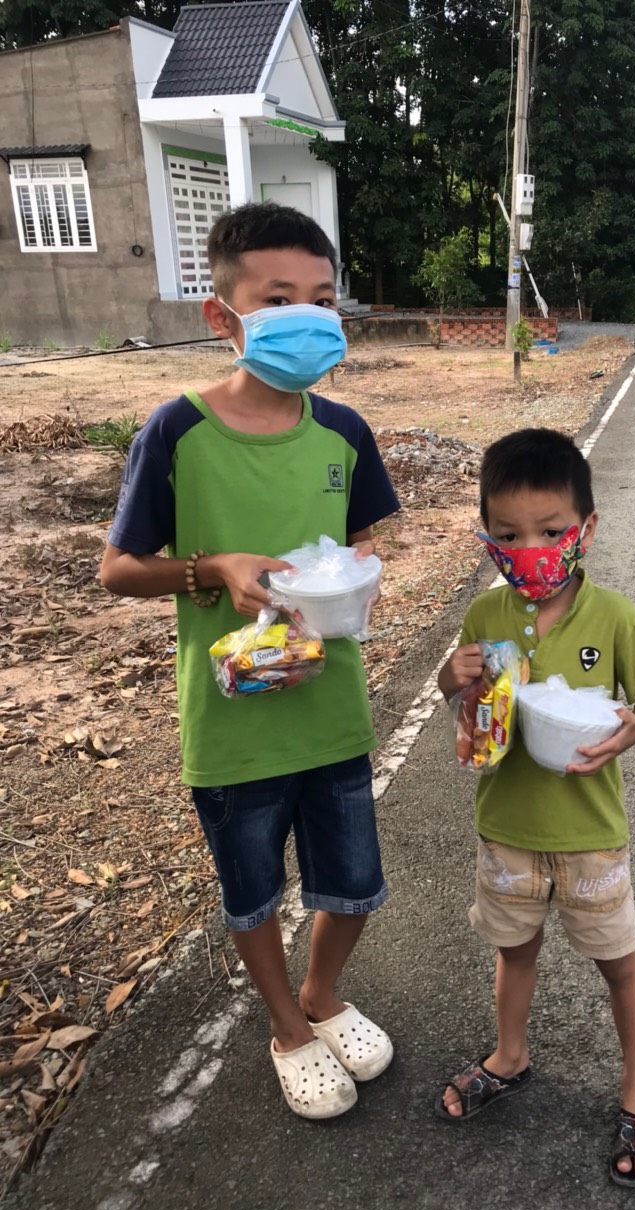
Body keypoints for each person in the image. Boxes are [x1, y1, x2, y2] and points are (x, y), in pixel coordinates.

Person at [100, 202, 399, 1120]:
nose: (308, 317)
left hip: (332, 710)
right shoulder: (176, 432)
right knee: (254, 895)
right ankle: (285, 1026)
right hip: (233, 722)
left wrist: (353, 582)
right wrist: (210, 569)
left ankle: (322, 994)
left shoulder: (343, 432)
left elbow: (360, 542)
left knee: (353, 887)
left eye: (323, 299)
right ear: (222, 316)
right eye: (279, 299)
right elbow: (118, 569)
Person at [435, 428, 635, 1187]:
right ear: (486, 534)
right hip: (506, 826)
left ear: (586, 530)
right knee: (515, 949)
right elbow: (463, 699)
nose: (529, 550)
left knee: (618, 962)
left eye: (549, 531)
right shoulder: (485, 616)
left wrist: (630, 730)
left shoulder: (615, 618)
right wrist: (451, 679)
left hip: (589, 832)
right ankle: (511, 1054)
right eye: (507, 536)